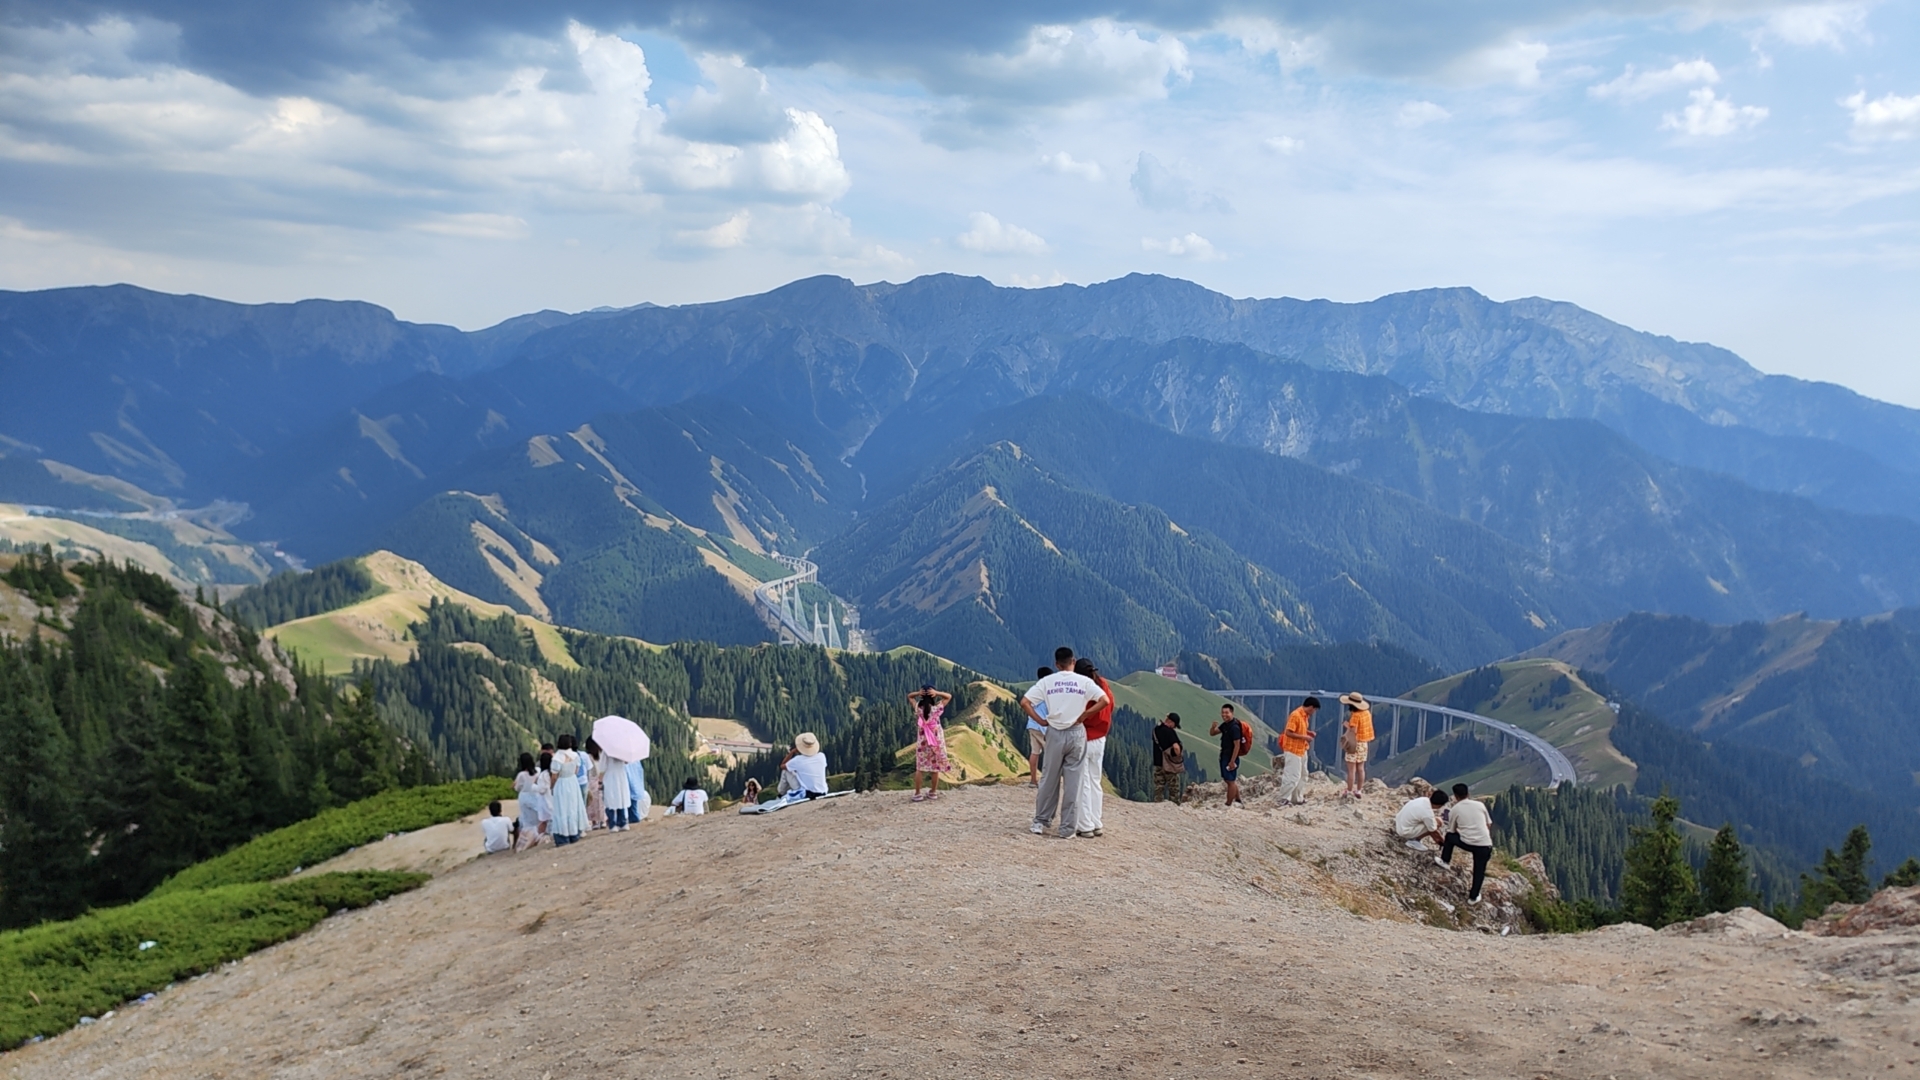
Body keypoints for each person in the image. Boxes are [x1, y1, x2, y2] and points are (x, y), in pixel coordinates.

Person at [1022, 647, 1106, 838]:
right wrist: (1085, 715)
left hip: (1055, 731)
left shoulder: (1047, 681)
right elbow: (1104, 700)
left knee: (1049, 778)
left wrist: (1041, 720)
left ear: (1057, 664)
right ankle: (1067, 828)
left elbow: (1025, 702)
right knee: (1074, 782)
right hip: (1077, 733)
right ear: (1073, 661)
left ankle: (1041, 821)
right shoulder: (1084, 681)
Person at [1073, 658, 1114, 837]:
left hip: (1084, 737)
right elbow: (1111, 705)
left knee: (1083, 782)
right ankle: (1097, 822)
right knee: (1095, 781)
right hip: (1100, 738)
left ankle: (1085, 825)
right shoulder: (1103, 684)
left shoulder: (1083, 688)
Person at [1438, 783, 1495, 905]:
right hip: (1485, 845)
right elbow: (1488, 824)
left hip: (1467, 842)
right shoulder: (1480, 805)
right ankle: (1473, 897)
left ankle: (1445, 861)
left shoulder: (1455, 809)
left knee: (1449, 837)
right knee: (1479, 871)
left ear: (1455, 796)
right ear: (1468, 793)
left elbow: (1451, 830)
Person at [910, 685, 954, 803]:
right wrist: (937, 692)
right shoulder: (936, 709)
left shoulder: (918, 708)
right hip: (936, 742)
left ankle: (917, 794)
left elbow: (909, 697)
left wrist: (917, 693)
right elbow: (948, 696)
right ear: (932, 696)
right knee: (935, 768)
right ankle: (933, 792)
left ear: (922, 696)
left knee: (920, 768)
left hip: (923, 743)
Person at [1277, 697, 1319, 805]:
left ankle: (1297, 798)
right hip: (1293, 750)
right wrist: (1305, 737)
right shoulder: (1295, 715)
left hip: (1301, 749)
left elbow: (1298, 729)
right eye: (1314, 710)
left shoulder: (1304, 716)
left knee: (1303, 774)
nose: (1314, 712)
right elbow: (1288, 732)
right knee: (1292, 775)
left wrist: (1308, 732)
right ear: (1311, 707)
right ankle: (1284, 798)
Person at [548, 734, 588, 846]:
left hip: (562, 783)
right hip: (573, 782)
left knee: (561, 809)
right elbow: (576, 770)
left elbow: (554, 776)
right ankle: (574, 833)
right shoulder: (575, 755)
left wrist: (551, 786)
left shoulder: (557, 758)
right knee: (573, 807)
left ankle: (562, 837)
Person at [1210, 704, 1252, 807]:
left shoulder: (1234, 727)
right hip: (1225, 754)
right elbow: (1213, 733)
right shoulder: (1225, 725)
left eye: (1227, 713)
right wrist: (1213, 727)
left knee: (1230, 781)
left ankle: (1228, 804)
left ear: (1232, 713)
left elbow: (1237, 745)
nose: (1224, 715)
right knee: (1228, 779)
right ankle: (1238, 799)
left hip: (1230, 756)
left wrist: (1232, 761)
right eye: (1223, 712)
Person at [1339, 692, 1375, 798]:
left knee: (1351, 770)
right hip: (1364, 744)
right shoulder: (1367, 713)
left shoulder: (1355, 715)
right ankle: (1359, 790)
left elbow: (1354, 731)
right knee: (1361, 768)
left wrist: (1347, 726)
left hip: (1354, 744)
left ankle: (1349, 790)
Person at [512, 752, 549, 851]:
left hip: (525, 795)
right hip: (536, 792)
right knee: (538, 813)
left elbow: (517, 787)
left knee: (527, 817)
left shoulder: (521, 775)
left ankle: (530, 835)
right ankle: (539, 832)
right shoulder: (538, 770)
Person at [779, 732, 830, 801]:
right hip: (822, 792)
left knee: (785, 771)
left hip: (807, 793)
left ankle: (781, 794)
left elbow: (782, 766)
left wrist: (792, 752)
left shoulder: (798, 760)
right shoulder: (821, 756)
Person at [1025, 667, 1052, 786]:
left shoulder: (1034, 690)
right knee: (1050, 754)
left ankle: (1033, 780)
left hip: (1032, 724)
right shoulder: (1048, 692)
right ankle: (1047, 781)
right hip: (1043, 726)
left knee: (1035, 752)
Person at [1152, 712, 1186, 804]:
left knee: (1159, 787)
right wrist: (1178, 756)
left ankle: (1158, 805)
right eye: (1175, 725)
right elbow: (1176, 747)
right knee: (1173, 789)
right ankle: (1174, 806)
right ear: (1171, 722)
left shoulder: (1156, 730)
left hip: (1158, 763)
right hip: (1169, 765)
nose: (1174, 728)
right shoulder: (1170, 732)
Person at [602, 750, 633, 832]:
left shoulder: (606, 750)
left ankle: (612, 824)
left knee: (610, 800)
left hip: (610, 775)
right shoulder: (622, 749)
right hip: (621, 775)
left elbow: (602, 766)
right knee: (621, 798)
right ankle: (622, 822)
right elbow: (627, 761)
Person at [583, 737, 607, 831]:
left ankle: (594, 822)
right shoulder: (601, 756)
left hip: (591, 781)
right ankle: (603, 820)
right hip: (601, 780)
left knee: (592, 803)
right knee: (601, 801)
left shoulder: (588, 757)